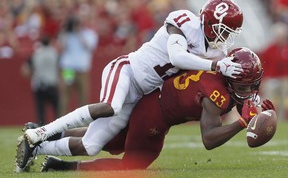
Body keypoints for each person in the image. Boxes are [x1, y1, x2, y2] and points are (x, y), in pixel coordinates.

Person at [16, 0, 244, 171]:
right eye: (224, 30)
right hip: (127, 70)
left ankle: (36, 147)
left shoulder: (213, 50)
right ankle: (42, 131)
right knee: (110, 105)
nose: (225, 37)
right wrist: (215, 65)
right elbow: (176, 57)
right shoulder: (184, 20)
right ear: (209, 22)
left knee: (91, 145)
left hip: (140, 92)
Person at [16, 47, 275, 172]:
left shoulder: (220, 76)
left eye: (252, 85)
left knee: (110, 140)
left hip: (152, 100)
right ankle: (57, 163)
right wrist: (243, 123)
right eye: (244, 85)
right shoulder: (214, 94)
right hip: (154, 114)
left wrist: (254, 108)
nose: (248, 90)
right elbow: (208, 139)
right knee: (133, 163)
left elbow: (237, 97)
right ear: (229, 78)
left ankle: (44, 137)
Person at [57, 14, 99, 115]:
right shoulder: (66, 34)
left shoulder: (90, 34)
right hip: (68, 69)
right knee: (64, 95)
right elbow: (61, 47)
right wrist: (65, 31)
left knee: (83, 96)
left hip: (82, 70)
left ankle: (81, 122)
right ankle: (61, 122)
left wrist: (79, 33)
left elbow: (88, 46)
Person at [20, 36, 60, 124]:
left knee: (40, 111)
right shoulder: (55, 54)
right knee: (57, 110)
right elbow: (62, 68)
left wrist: (34, 75)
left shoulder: (36, 54)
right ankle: (58, 129)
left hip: (39, 85)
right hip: (52, 84)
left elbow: (25, 70)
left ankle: (41, 130)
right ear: (50, 43)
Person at [259, 22, 288, 122]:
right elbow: (264, 66)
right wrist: (264, 79)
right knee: (268, 97)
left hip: (284, 78)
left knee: (283, 97)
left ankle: (280, 119)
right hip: (271, 78)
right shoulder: (269, 49)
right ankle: (269, 117)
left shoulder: (286, 48)